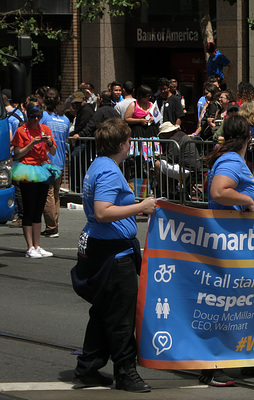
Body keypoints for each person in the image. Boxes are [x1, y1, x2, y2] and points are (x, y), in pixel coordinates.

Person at [71, 118, 156, 392]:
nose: (131, 144)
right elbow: (103, 211)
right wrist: (141, 206)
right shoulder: (108, 171)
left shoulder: (99, 165)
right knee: (121, 315)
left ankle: (88, 366)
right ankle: (126, 372)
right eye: (129, 140)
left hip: (104, 248)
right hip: (113, 253)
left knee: (104, 311)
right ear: (121, 144)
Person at [199, 115, 254, 386]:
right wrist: (246, 201)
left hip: (239, 245)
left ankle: (247, 360)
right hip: (231, 246)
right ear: (248, 137)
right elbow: (220, 191)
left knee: (243, 304)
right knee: (226, 305)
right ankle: (211, 365)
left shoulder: (230, 158)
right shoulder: (232, 160)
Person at [11, 103, 60, 258]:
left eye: (38, 116)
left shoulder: (45, 129)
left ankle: (37, 246)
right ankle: (29, 247)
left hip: (43, 168)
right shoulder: (21, 131)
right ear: (28, 116)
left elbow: (53, 150)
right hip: (27, 170)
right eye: (33, 116)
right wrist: (32, 143)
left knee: (39, 209)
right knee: (29, 209)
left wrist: (49, 143)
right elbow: (17, 154)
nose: (36, 119)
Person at [40, 88, 71, 238]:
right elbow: (65, 139)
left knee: (48, 194)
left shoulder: (43, 117)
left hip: (46, 159)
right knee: (56, 194)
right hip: (59, 159)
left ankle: (51, 227)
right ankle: (55, 223)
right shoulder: (65, 119)